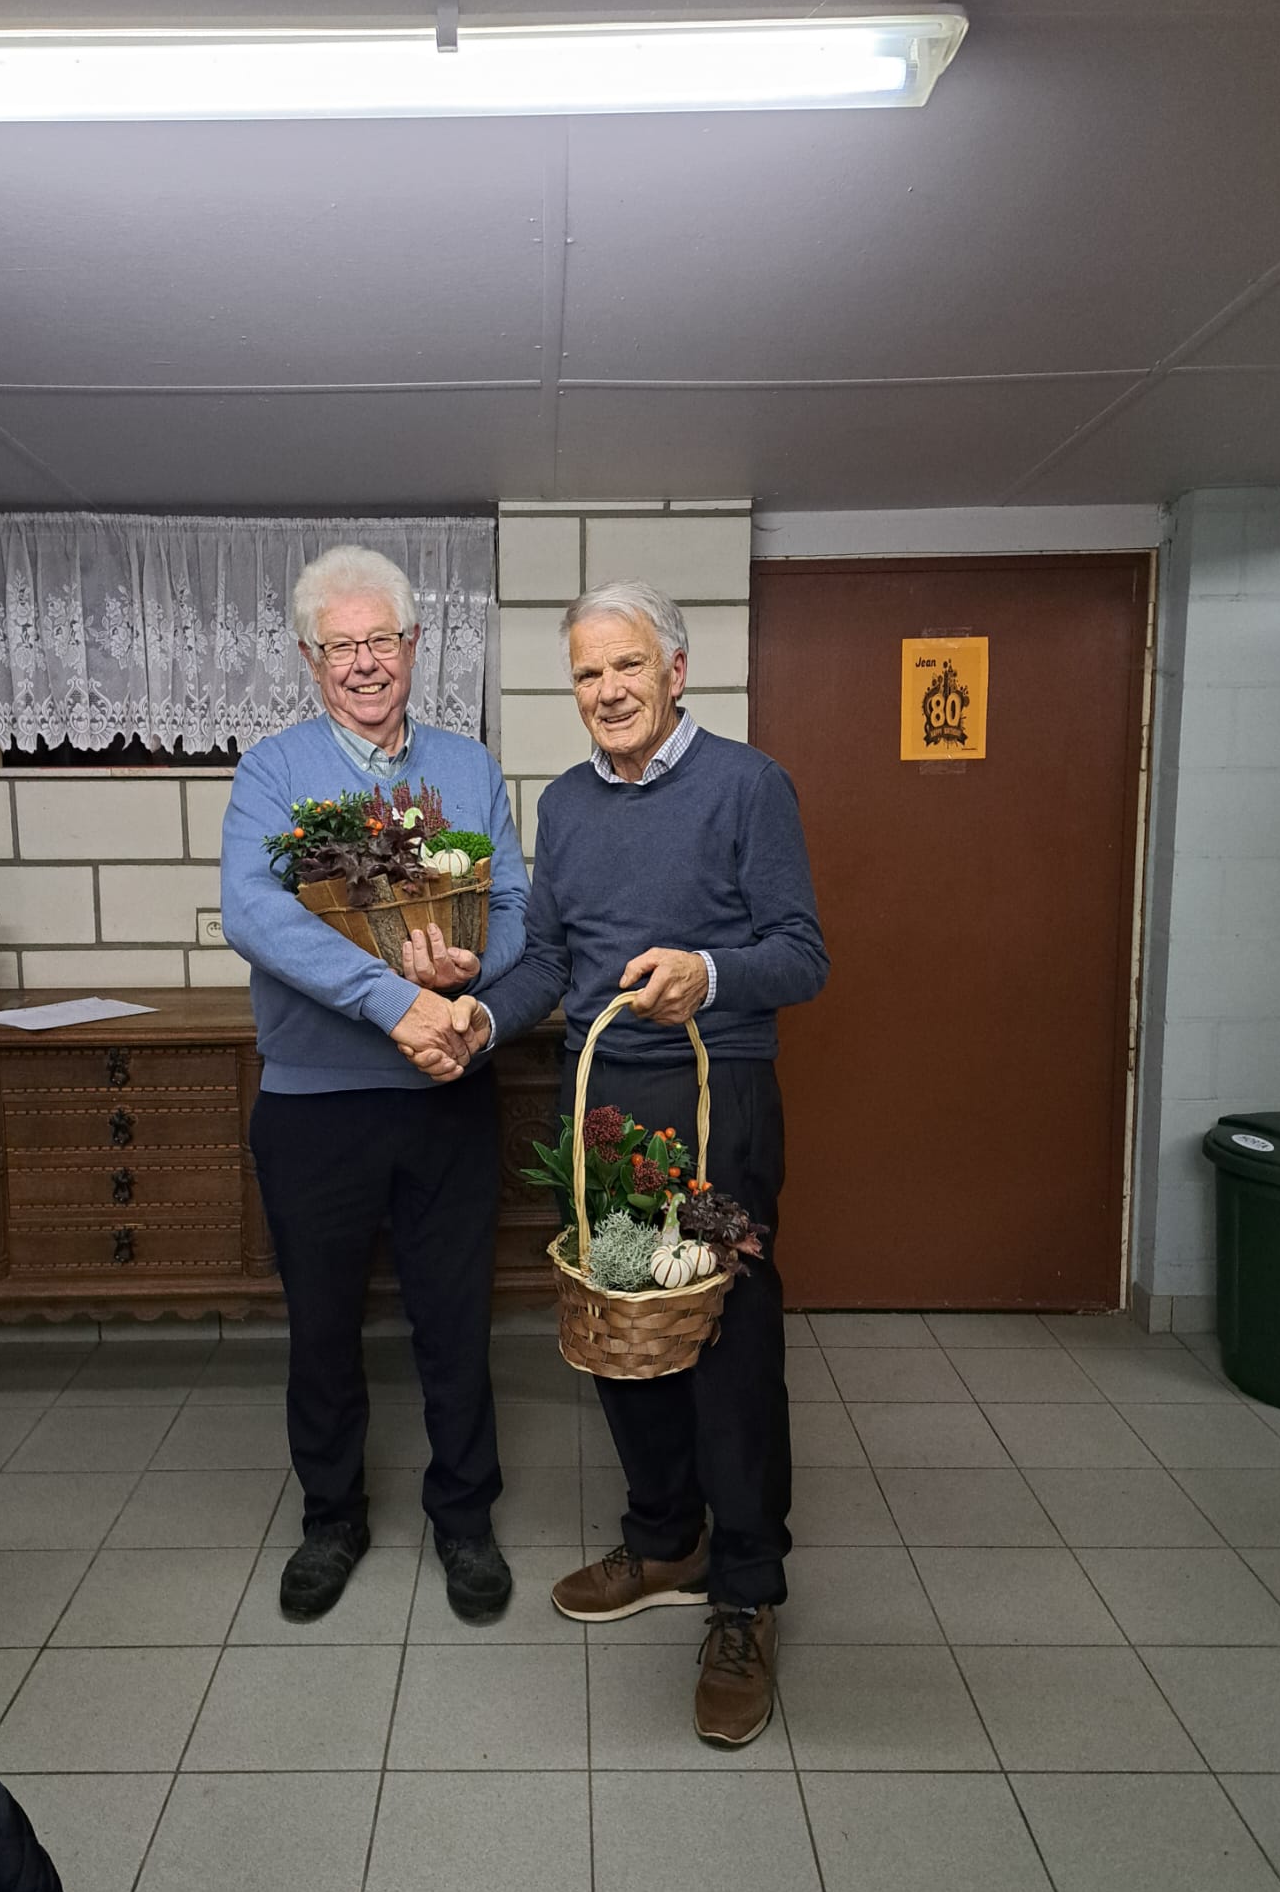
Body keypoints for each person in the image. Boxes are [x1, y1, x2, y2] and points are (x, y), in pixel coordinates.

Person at [407, 578, 828, 1744]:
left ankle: (746, 1589)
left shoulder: (749, 785)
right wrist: (481, 1017)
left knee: (724, 1337)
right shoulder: (566, 804)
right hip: (599, 1100)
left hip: (716, 1097)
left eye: (627, 665)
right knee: (619, 1329)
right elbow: (550, 961)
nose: (607, 689)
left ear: (676, 670)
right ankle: (664, 1537)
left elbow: (802, 953)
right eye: (587, 673)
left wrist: (710, 970)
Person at [221, 546, 527, 1624]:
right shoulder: (272, 771)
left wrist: (466, 976)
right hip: (315, 1104)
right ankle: (332, 1517)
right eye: (341, 645)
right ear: (312, 659)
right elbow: (254, 914)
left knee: (456, 1320)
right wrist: (392, 999)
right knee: (322, 1326)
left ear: (415, 646)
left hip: (447, 1092)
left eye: (381, 640)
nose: (364, 662)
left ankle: (465, 1517)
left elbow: (516, 907)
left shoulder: (468, 766)